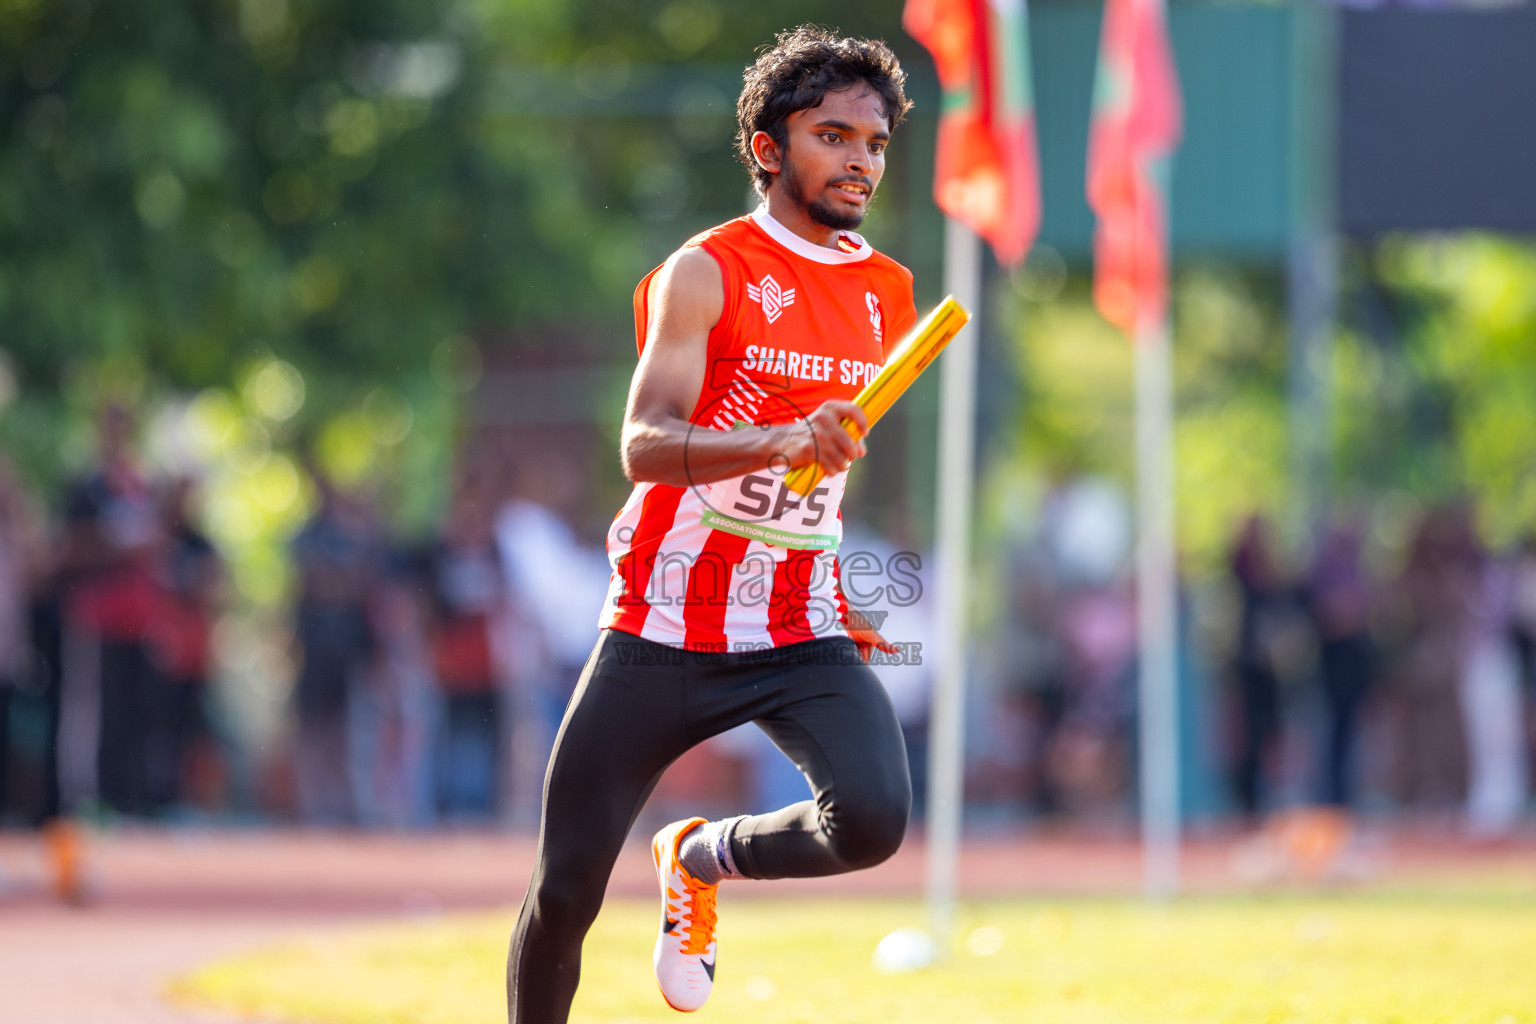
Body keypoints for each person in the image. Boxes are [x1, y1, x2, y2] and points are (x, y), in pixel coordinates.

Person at [507, 27, 917, 1022]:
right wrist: (781, 439)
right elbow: (644, 444)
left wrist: (813, 482)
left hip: (795, 624)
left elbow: (827, 474)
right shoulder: (707, 271)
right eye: (834, 136)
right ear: (770, 148)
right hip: (661, 628)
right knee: (565, 891)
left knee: (872, 821)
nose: (860, 160)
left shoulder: (888, 294)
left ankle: (700, 855)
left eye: (874, 142)